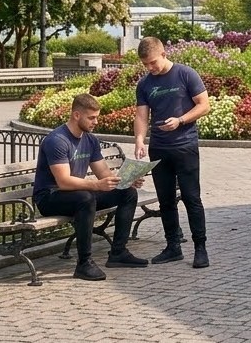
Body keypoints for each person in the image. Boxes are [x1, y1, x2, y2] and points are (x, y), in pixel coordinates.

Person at [32, 93, 148, 281]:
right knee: (86, 198)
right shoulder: (57, 140)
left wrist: (126, 181)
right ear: (76, 115)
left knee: (127, 193)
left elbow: (104, 174)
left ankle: (118, 252)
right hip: (50, 197)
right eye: (91, 118)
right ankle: (84, 263)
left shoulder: (90, 140)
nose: (96, 122)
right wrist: (96, 185)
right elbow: (63, 181)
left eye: (97, 117)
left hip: (76, 194)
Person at [133, 36, 212, 268]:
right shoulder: (144, 84)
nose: (150, 68)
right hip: (159, 147)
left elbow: (204, 105)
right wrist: (139, 140)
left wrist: (181, 120)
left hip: (185, 146)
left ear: (164, 54)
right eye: (146, 64)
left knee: (191, 197)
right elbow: (141, 116)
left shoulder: (186, 74)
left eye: (153, 62)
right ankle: (172, 247)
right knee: (166, 200)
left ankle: (200, 248)